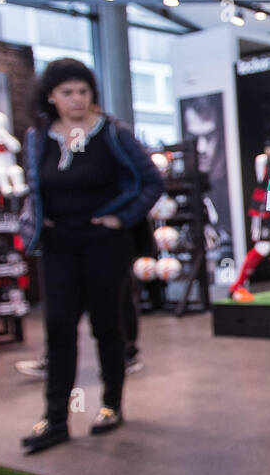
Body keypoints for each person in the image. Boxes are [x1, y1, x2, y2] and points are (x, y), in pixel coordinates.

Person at [16, 59, 163, 453]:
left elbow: (152, 179)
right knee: (59, 329)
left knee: (107, 325)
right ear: (51, 96)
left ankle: (111, 405)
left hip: (104, 244)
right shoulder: (38, 137)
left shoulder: (112, 132)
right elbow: (33, 188)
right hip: (58, 246)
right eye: (67, 92)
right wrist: (35, 223)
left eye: (83, 90)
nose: (77, 99)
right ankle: (56, 419)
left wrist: (123, 217)